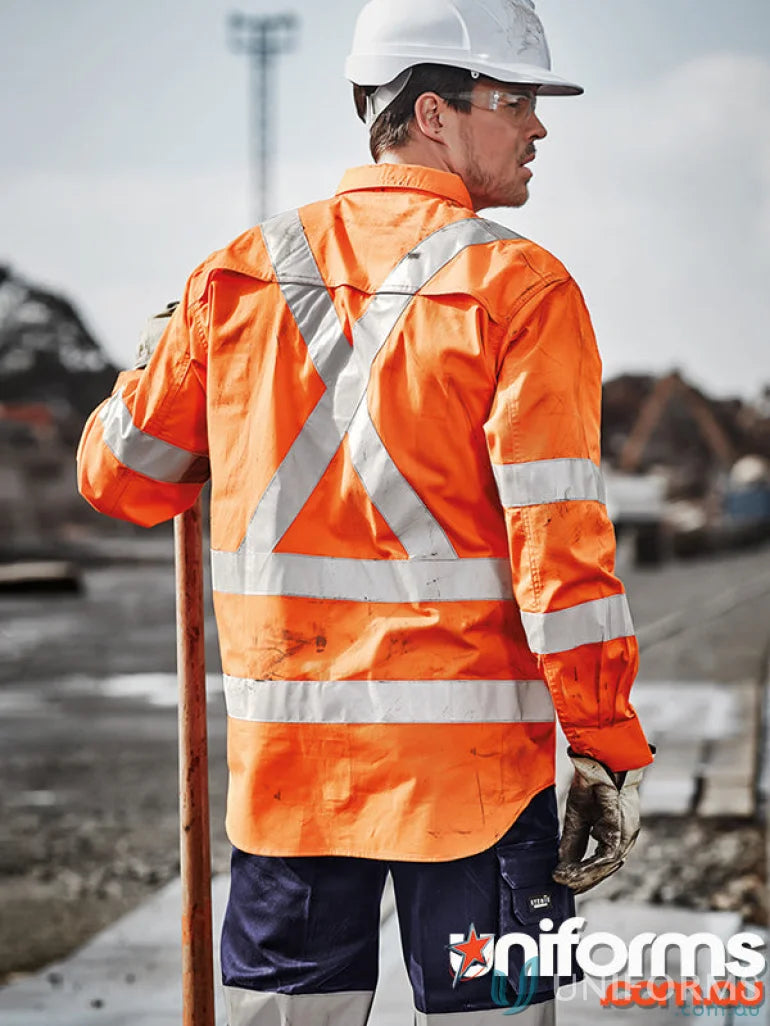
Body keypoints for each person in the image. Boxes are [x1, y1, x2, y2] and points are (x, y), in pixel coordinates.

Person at [77, 1, 653, 1022]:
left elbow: (123, 477)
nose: (537, 127)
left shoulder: (234, 278)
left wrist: (153, 356)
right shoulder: (519, 287)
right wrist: (602, 744)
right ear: (431, 113)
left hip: (292, 785)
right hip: (476, 793)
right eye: (512, 100)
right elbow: (560, 554)